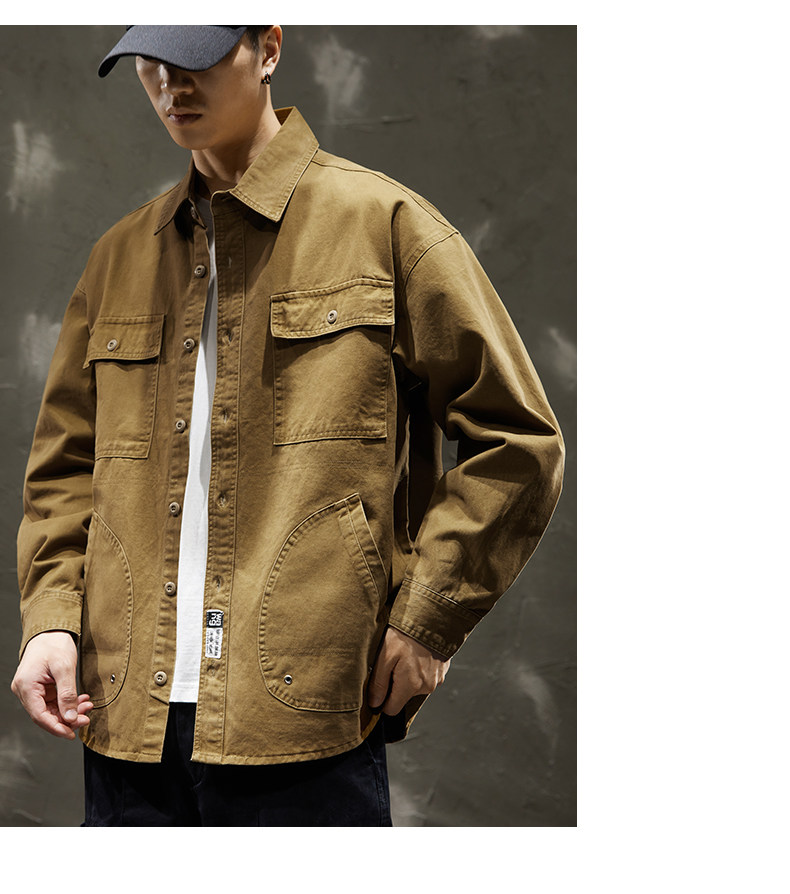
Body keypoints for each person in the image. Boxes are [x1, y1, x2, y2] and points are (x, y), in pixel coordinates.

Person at [11, 25, 565, 826]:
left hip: (304, 722)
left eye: (197, 57)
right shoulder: (118, 256)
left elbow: (516, 441)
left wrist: (429, 620)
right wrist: (52, 623)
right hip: (127, 720)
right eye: (151, 63)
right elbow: (65, 469)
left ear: (268, 49)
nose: (171, 85)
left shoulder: (384, 224)